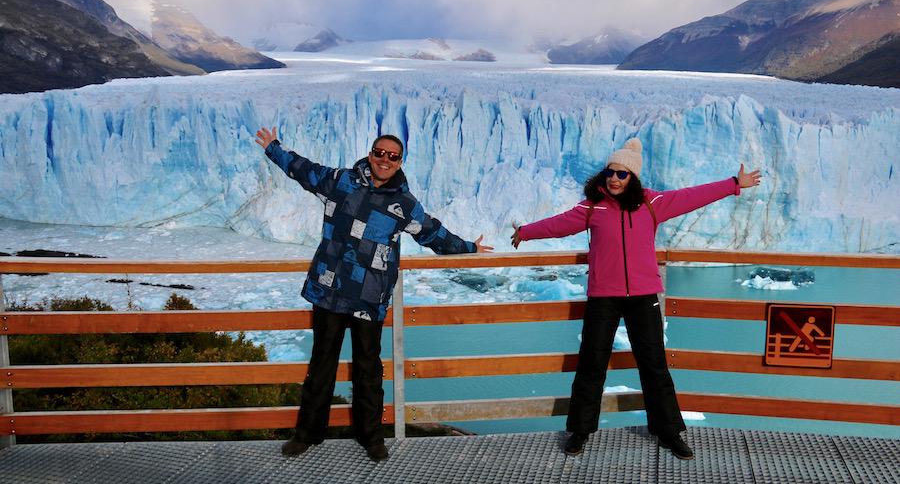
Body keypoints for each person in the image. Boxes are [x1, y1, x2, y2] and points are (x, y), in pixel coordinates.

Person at [511, 138, 760, 460]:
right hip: (604, 296)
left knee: (654, 365)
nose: (614, 179)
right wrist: (526, 232)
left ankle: (669, 432)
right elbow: (559, 225)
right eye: (610, 173)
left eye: (622, 174)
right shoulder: (593, 207)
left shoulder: (652, 203)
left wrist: (732, 185)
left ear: (633, 177)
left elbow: (691, 197)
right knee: (591, 364)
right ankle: (580, 431)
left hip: (643, 296)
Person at [255, 127, 492, 462]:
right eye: (379, 153)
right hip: (331, 289)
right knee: (322, 363)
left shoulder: (404, 204)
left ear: (400, 163)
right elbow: (302, 169)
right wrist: (274, 148)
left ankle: (371, 437)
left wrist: (469, 248)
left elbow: (433, 234)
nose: (384, 160)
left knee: (369, 368)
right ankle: (307, 434)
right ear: (370, 154)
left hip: (369, 296)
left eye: (392, 156)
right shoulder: (340, 181)